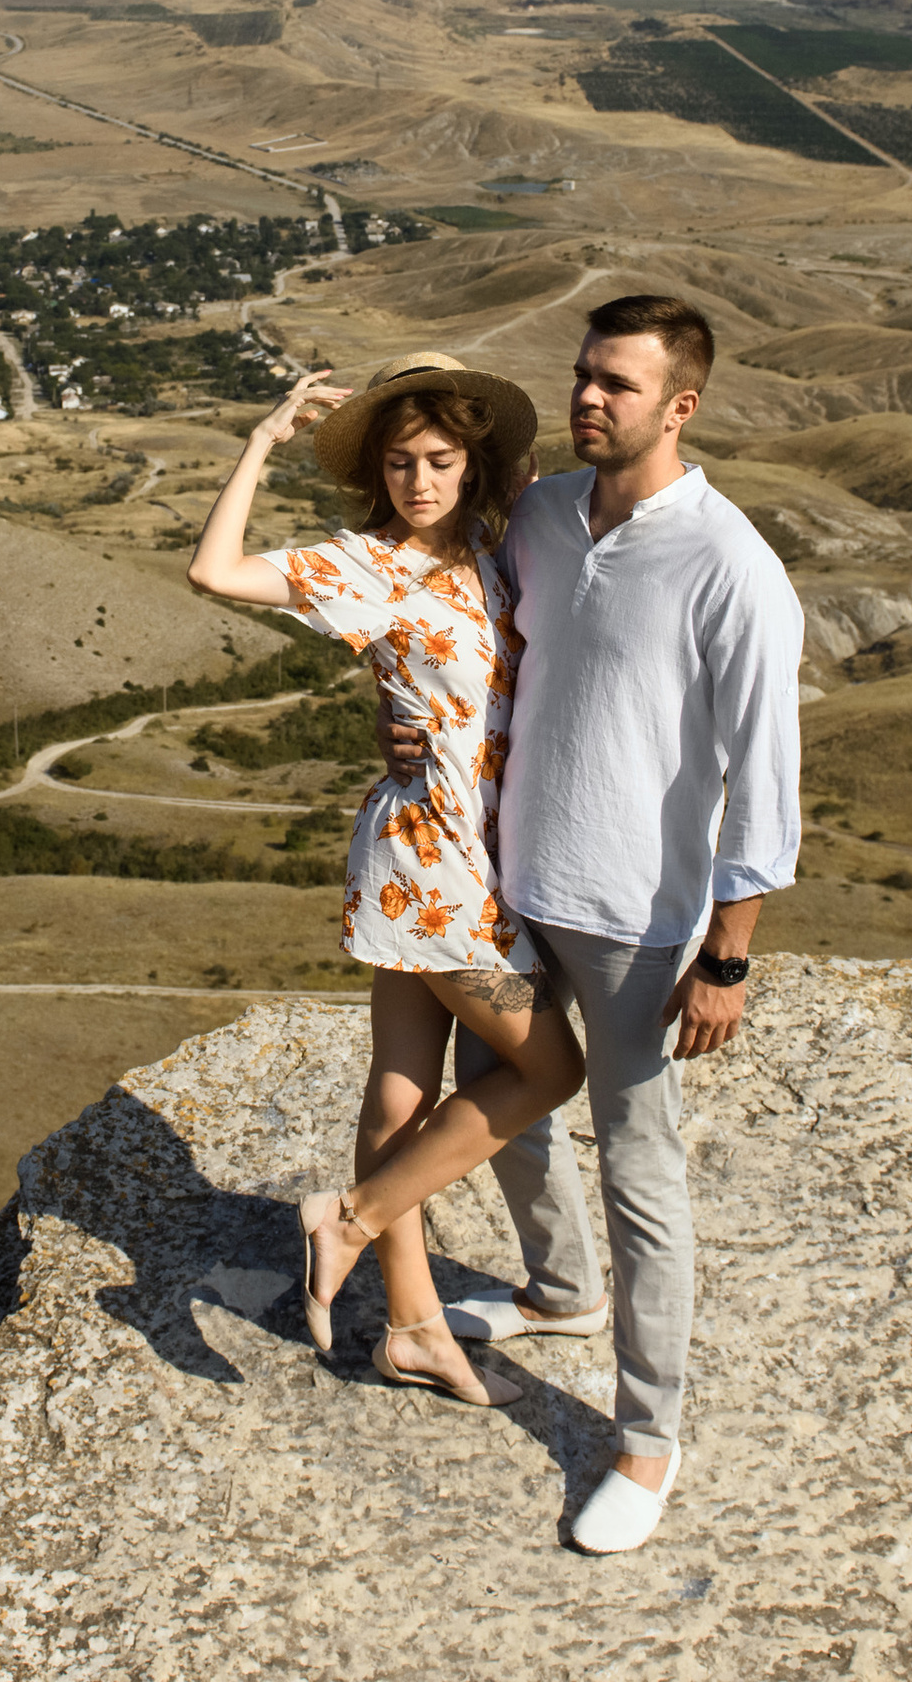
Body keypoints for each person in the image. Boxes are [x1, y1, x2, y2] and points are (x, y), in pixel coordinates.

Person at [377, 293, 803, 1552]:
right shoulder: (548, 517)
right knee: (497, 1106)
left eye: (617, 383)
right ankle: (558, 1292)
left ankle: (646, 1440)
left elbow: (764, 781)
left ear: (681, 406)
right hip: (509, 885)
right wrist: (403, 721)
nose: (587, 398)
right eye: (580, 376)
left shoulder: (731, 566)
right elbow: (463, 639)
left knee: (641, 1170)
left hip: (634, 922)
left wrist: (726, 954)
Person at [187, 352, 585, 1409]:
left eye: (440, 458)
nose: (419, 479)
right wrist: (263, 441)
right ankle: (351, 1219)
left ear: (471, 463)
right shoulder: (365, 564)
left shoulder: (496, 551)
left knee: (402, 1090)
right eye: (400, 461)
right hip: (429, 861)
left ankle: (410, 1327)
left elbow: (527, 456)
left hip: (458, 852)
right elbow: (214, 573)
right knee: (552, 1070)